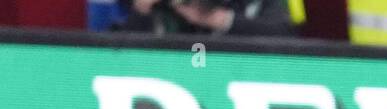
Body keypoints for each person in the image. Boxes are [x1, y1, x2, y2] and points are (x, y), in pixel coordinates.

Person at [120, 0, 297, 35]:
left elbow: (286, 34)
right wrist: (142, 11)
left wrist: (224, 21)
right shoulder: (165, 10)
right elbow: (120, 57)